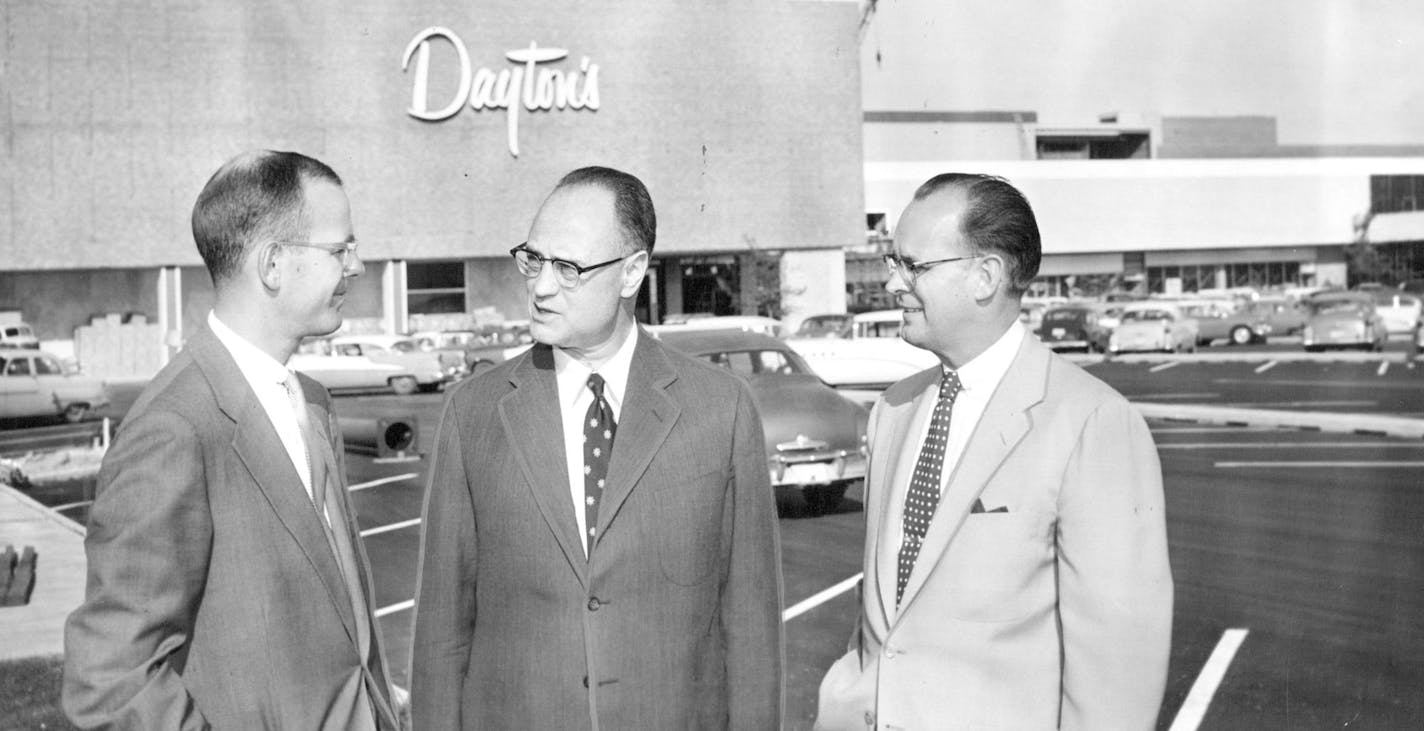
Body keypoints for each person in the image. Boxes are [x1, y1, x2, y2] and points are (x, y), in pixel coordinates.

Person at [409, 166, 784, 729]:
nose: (539, 286)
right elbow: (442, 633)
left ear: (633, 272)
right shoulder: (475, 412)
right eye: (533, 260)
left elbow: (752, 628)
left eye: (568, 268)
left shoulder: (720, 410)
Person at [815, 173, 1173, 730]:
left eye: (913, 266)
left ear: (986, 276)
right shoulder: (895, 410)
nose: (892, 285)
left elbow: (1117, 671)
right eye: (893, 262)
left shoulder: (1092, 424)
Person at [63, 150, 403, 730]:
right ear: (273, 264)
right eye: (340, 249)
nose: (358, 266)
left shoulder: (312, 402)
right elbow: (111, 682)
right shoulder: (174, 427)